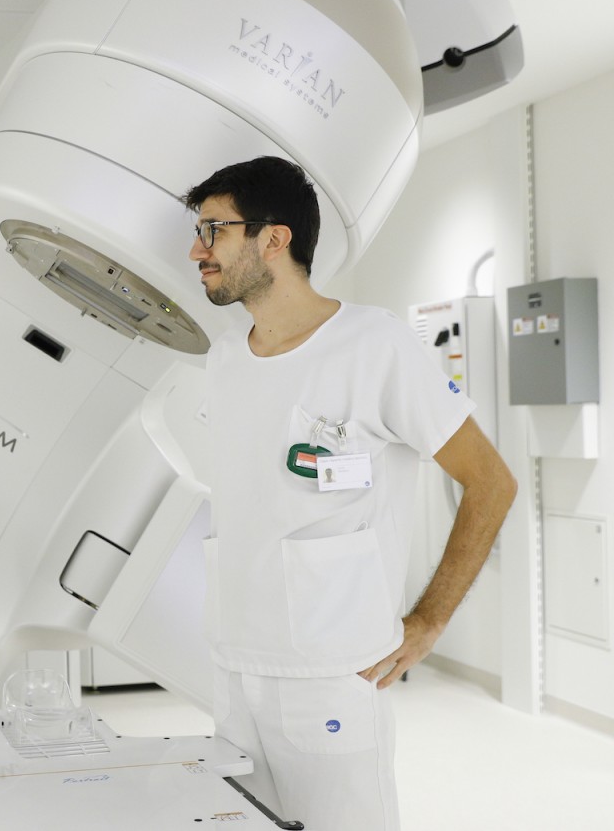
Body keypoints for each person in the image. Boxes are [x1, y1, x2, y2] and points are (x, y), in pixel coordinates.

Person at [182, 157, 516, 830]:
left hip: (334, 673)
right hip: (234, 667)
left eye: (213, 230)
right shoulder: (223, 362)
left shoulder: (375, 344)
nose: (197, 251)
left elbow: (492, 482)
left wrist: (428, 622)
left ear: (273, 239)